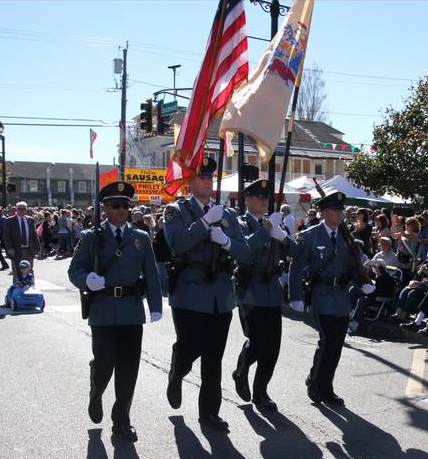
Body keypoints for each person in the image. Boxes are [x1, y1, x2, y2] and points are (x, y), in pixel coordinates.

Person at [68, 181, 162, 443]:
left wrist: (155, 307)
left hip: (132, 311)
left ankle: (122, 419)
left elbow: (152, 275)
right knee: (104, 363)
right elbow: (74, 270)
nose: (122, 210)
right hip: (103, 310)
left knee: (129, 368)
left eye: (125, 205)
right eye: (115, 205)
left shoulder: (141, 238)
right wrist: (87, 279)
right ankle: (96, 391)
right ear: (104, 208)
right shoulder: (91, 237)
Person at [163, 157, 249, 432]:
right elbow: (177, 244)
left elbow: (244, 252)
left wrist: (225, 241)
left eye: (210, 178)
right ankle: (177, 371)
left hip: (220, 295)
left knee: (214, 356)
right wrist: (203, 224)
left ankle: (209, 413)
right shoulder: (177, 211)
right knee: (191, 346)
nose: (207, 182)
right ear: (190, 182)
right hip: (190, 292)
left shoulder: (228, 214)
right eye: (202, 178)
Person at [288, 191, 374, 406]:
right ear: (324, 212)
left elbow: (352, 267)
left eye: (341, 210)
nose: (340, 213)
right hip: (321, 295)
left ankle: (327, 387)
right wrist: (295, 296)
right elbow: (296, 267)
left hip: (342, 298)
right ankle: (315, 381)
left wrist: (363, 282)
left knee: (337, 343)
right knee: (327, 341)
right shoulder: (310, 236)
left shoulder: (347, 238)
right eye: (336, 210)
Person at [232, 179, 300, 412]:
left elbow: (297, 252)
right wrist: (266, 229)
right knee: (257, 340)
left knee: (273, 346)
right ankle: (241, 370)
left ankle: (261, 391)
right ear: (248, 199)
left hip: (271, 289)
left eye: (266, 198)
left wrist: (282, 237)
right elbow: (244, 251)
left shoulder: (273, 225)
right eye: (259, 198)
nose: (263, 201)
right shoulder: (240, 224)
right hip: (249, 289)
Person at [3, 202, 39, 284]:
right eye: (19, 209)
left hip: (29, 250)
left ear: (26, 210)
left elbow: (34, 235)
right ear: (16, 209)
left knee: (29, 270)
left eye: (23, 209)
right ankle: (17, 290)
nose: (22, 211)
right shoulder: (10, 220)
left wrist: (37, 248)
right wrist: (10, 248)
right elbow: (6, 236)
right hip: (16, 250)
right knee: (17, 272)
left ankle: (30, 288)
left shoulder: (30, 220)